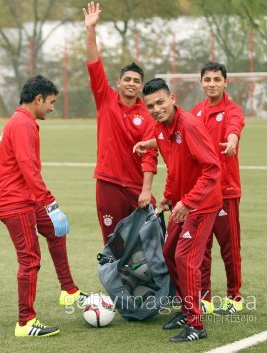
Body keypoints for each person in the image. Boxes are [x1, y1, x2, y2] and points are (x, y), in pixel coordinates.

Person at [0, 75, 86, 337]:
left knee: (57, 232)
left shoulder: (23, 120)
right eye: (51, 102)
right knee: (30, 260)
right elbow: (28, 168)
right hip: (15, 203)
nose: (52, 108)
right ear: (39, 98)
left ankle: (69, 290)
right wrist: (50, 203)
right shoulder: (23, 124)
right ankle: (25, 322)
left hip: (24, 198)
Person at [139, 78, 222, 343]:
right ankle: (186, 310)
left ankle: (196, 324)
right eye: (151, 105)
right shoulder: (160, 127)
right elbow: (174, 166)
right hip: (182, 202)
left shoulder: (189, 125)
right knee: (169, 253)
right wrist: (169, 197)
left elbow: (212, 169)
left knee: (186, 258)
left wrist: (188, 202)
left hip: (202, 204)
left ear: (172, 98)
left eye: (160, 102)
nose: (156, 109)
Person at [83, 2, 158, 245]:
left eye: (137, 80)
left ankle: (147, 281)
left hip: (136, 185)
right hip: (108, 183)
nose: (131, 83)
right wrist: (90, 30)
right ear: (118, 82)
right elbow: (94, 63)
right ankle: (115, 283)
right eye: (127, 79)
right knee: (113, 242)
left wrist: (146, 189)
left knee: (147, 239)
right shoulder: (105, 99)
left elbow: (150, 154)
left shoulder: (148, 114)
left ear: (141, 86)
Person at [190, 62, 245, 316]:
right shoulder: (197, 111)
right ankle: (206, 298)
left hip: (225, 191)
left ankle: (235, 297)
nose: (211, 83)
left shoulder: (233, 110)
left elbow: (234, 128)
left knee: (229, 248)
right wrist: (150, 141)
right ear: (201, 82)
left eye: (216, 79)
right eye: (207, 79)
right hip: (202, 192)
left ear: (226, 82)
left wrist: (232, 141)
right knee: (202, 249)